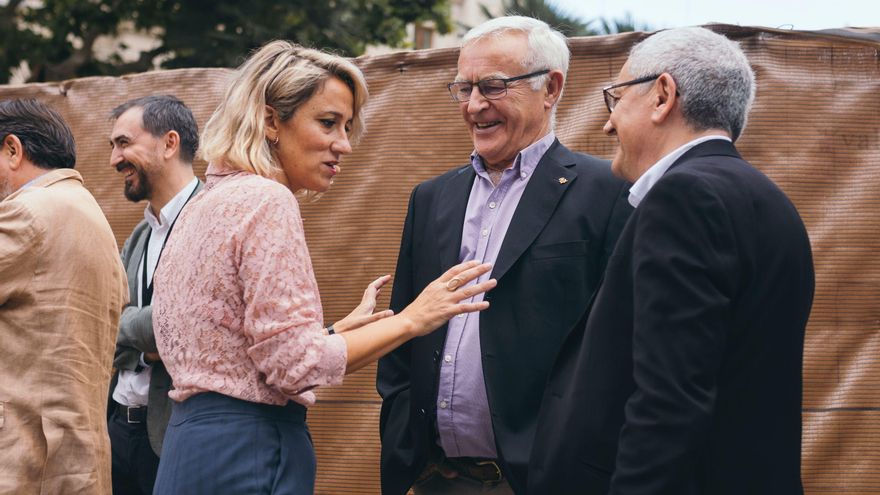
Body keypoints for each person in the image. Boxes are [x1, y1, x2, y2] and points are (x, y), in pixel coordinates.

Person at [149, 40, 496, 494]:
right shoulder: (266, 199)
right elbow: (294, 366)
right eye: (328, 122)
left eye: (348, 127)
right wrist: (415, 318)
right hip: (249, 450)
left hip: (190, 447)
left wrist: (334, 335)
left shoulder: (203, 202)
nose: (344, 145)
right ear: (271, 119)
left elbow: (241, 351)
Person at [529, 27, 815, 495]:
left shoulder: (683, 197)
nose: (607, 123)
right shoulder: (773, 203)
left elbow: (669, 401)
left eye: (616, 98)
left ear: (663, 95)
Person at [377, 16, 632, 495]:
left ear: (551, 88)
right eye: (464, 88)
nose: (474, 106)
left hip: (548, 480)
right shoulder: (431, 197)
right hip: (437, 480)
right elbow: (402, 336)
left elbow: (621, 347)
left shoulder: (609, 193)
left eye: (492, 86)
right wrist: (409, 451)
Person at [0, 99, 128, 493]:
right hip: (74, 459)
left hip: (25, 459)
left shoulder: (29, 212)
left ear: (12, 150)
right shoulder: (90, 215)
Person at [106, 95, 202, 495]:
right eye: (113, 146)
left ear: (169, 143)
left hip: (175, 438)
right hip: (118, 429)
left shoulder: (211, 218)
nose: (114, 159)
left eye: (124, 143)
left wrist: (130, 327)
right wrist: (147, 348)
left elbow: (187, 324)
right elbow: (103, 323)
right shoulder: (141, 234)